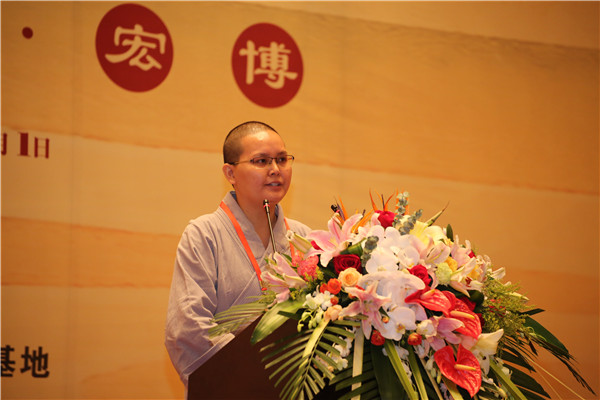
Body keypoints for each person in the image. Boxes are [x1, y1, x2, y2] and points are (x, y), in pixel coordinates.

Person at [164, 121, 311, 387]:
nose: (275, 169)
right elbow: (189, 328)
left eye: (281, 159)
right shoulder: (203, 235)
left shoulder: (305, 238)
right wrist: (256, 373)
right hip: (235, 386)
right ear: (230, 173)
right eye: (261, 161)